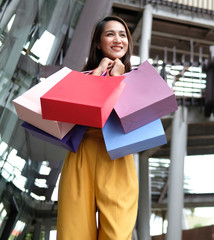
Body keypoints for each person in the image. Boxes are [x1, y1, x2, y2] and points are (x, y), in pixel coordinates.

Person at [56, 16, 139, 240]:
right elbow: (84, 111)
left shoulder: (137, 81)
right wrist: (99, 73)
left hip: (118, 159)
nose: (118, 40)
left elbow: (131, 122)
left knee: (117, 233)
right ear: (98, 43)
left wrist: (117, 78)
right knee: (74, 232)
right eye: (110, 34)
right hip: (81, 157)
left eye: (123, 35)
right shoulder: (80, 78)